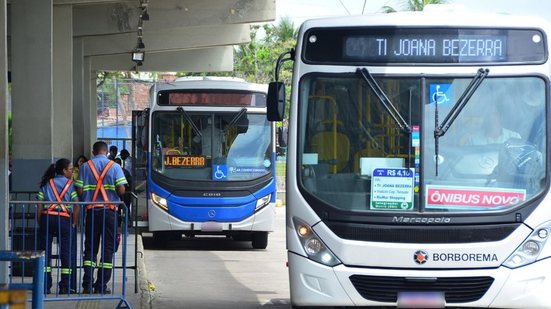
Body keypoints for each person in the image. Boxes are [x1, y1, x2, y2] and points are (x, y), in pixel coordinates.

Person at [76, 141, 127, 294]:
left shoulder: (85, 167)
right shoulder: (115, 167)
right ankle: (101, 286)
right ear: (106, 152)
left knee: (90, 248)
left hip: (91, 212)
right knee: (108, 248)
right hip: (109, 212)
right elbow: (121, 190)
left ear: (93, 152)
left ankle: (87, 284)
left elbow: (79, 190)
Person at [37, 158, 79, 294]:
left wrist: (40, 220)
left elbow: (39, 204)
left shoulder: (46, 183)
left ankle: (45, 285)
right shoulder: (70, 185)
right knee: (65, 252)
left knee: (44, 252)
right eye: (71, 169)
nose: (72, 171)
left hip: (47, 217)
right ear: (64, 170)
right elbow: (77, 205)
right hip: (64, 219)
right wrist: (74, 222)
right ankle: (65, 286)